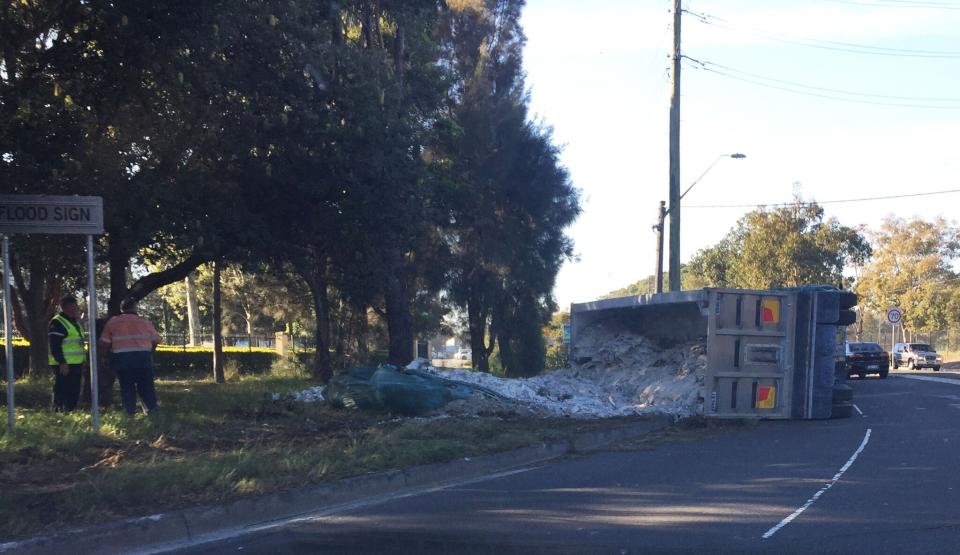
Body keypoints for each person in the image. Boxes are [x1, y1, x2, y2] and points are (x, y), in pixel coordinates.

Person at [98, 297, 161, 416]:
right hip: (143, 358)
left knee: (127, 387)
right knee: (146, 386)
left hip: (123, 359)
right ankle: (151, 411)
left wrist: (104, 357)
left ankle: (129, 412)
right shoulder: (145, 322)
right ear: (135, 307)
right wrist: (150, 353)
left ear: (122, 308)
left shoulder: (113, 322)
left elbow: (104, 343)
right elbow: (156, 340)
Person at [48, 295, 87, 412]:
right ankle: (58, 410)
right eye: (74, 306)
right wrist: (62, 362)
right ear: (68, 307)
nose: (77, 309)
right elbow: (55, 345)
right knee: (62, 388)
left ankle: (70, 410)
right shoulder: (58, 322)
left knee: (74, 389)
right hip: (64, 363)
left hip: (76, 363)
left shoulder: (74, 322)